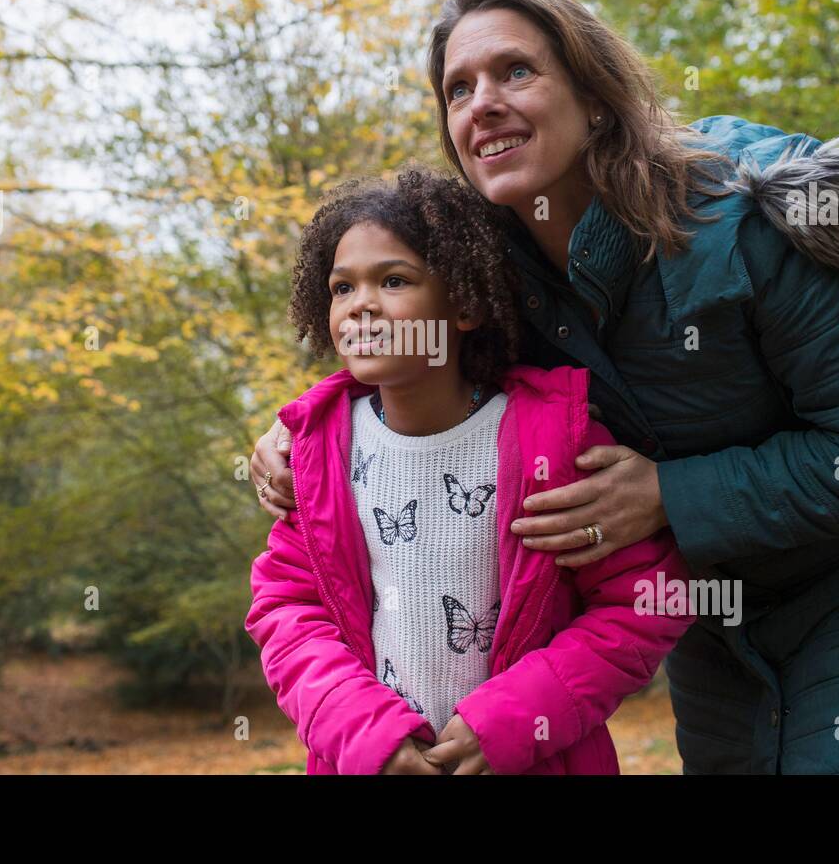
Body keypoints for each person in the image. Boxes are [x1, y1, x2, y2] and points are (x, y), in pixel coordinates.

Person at [250, 0, 839, 774]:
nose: (483, 103)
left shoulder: (749, 218)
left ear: (596, 96)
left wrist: (667, 495)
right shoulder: (489, 273)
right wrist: (301, 424)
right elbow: (415, 360)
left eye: (516, 72)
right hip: (716, 621)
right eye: (458, 89)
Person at [244, 166, 694, 774]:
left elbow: (644, 601)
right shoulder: (318, 455)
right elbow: (287, 612)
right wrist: (366, 734)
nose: (360, 307)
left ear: (465, 305)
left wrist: (510, 722)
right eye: (342, 288)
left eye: (394, 280)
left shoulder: (552, 440)